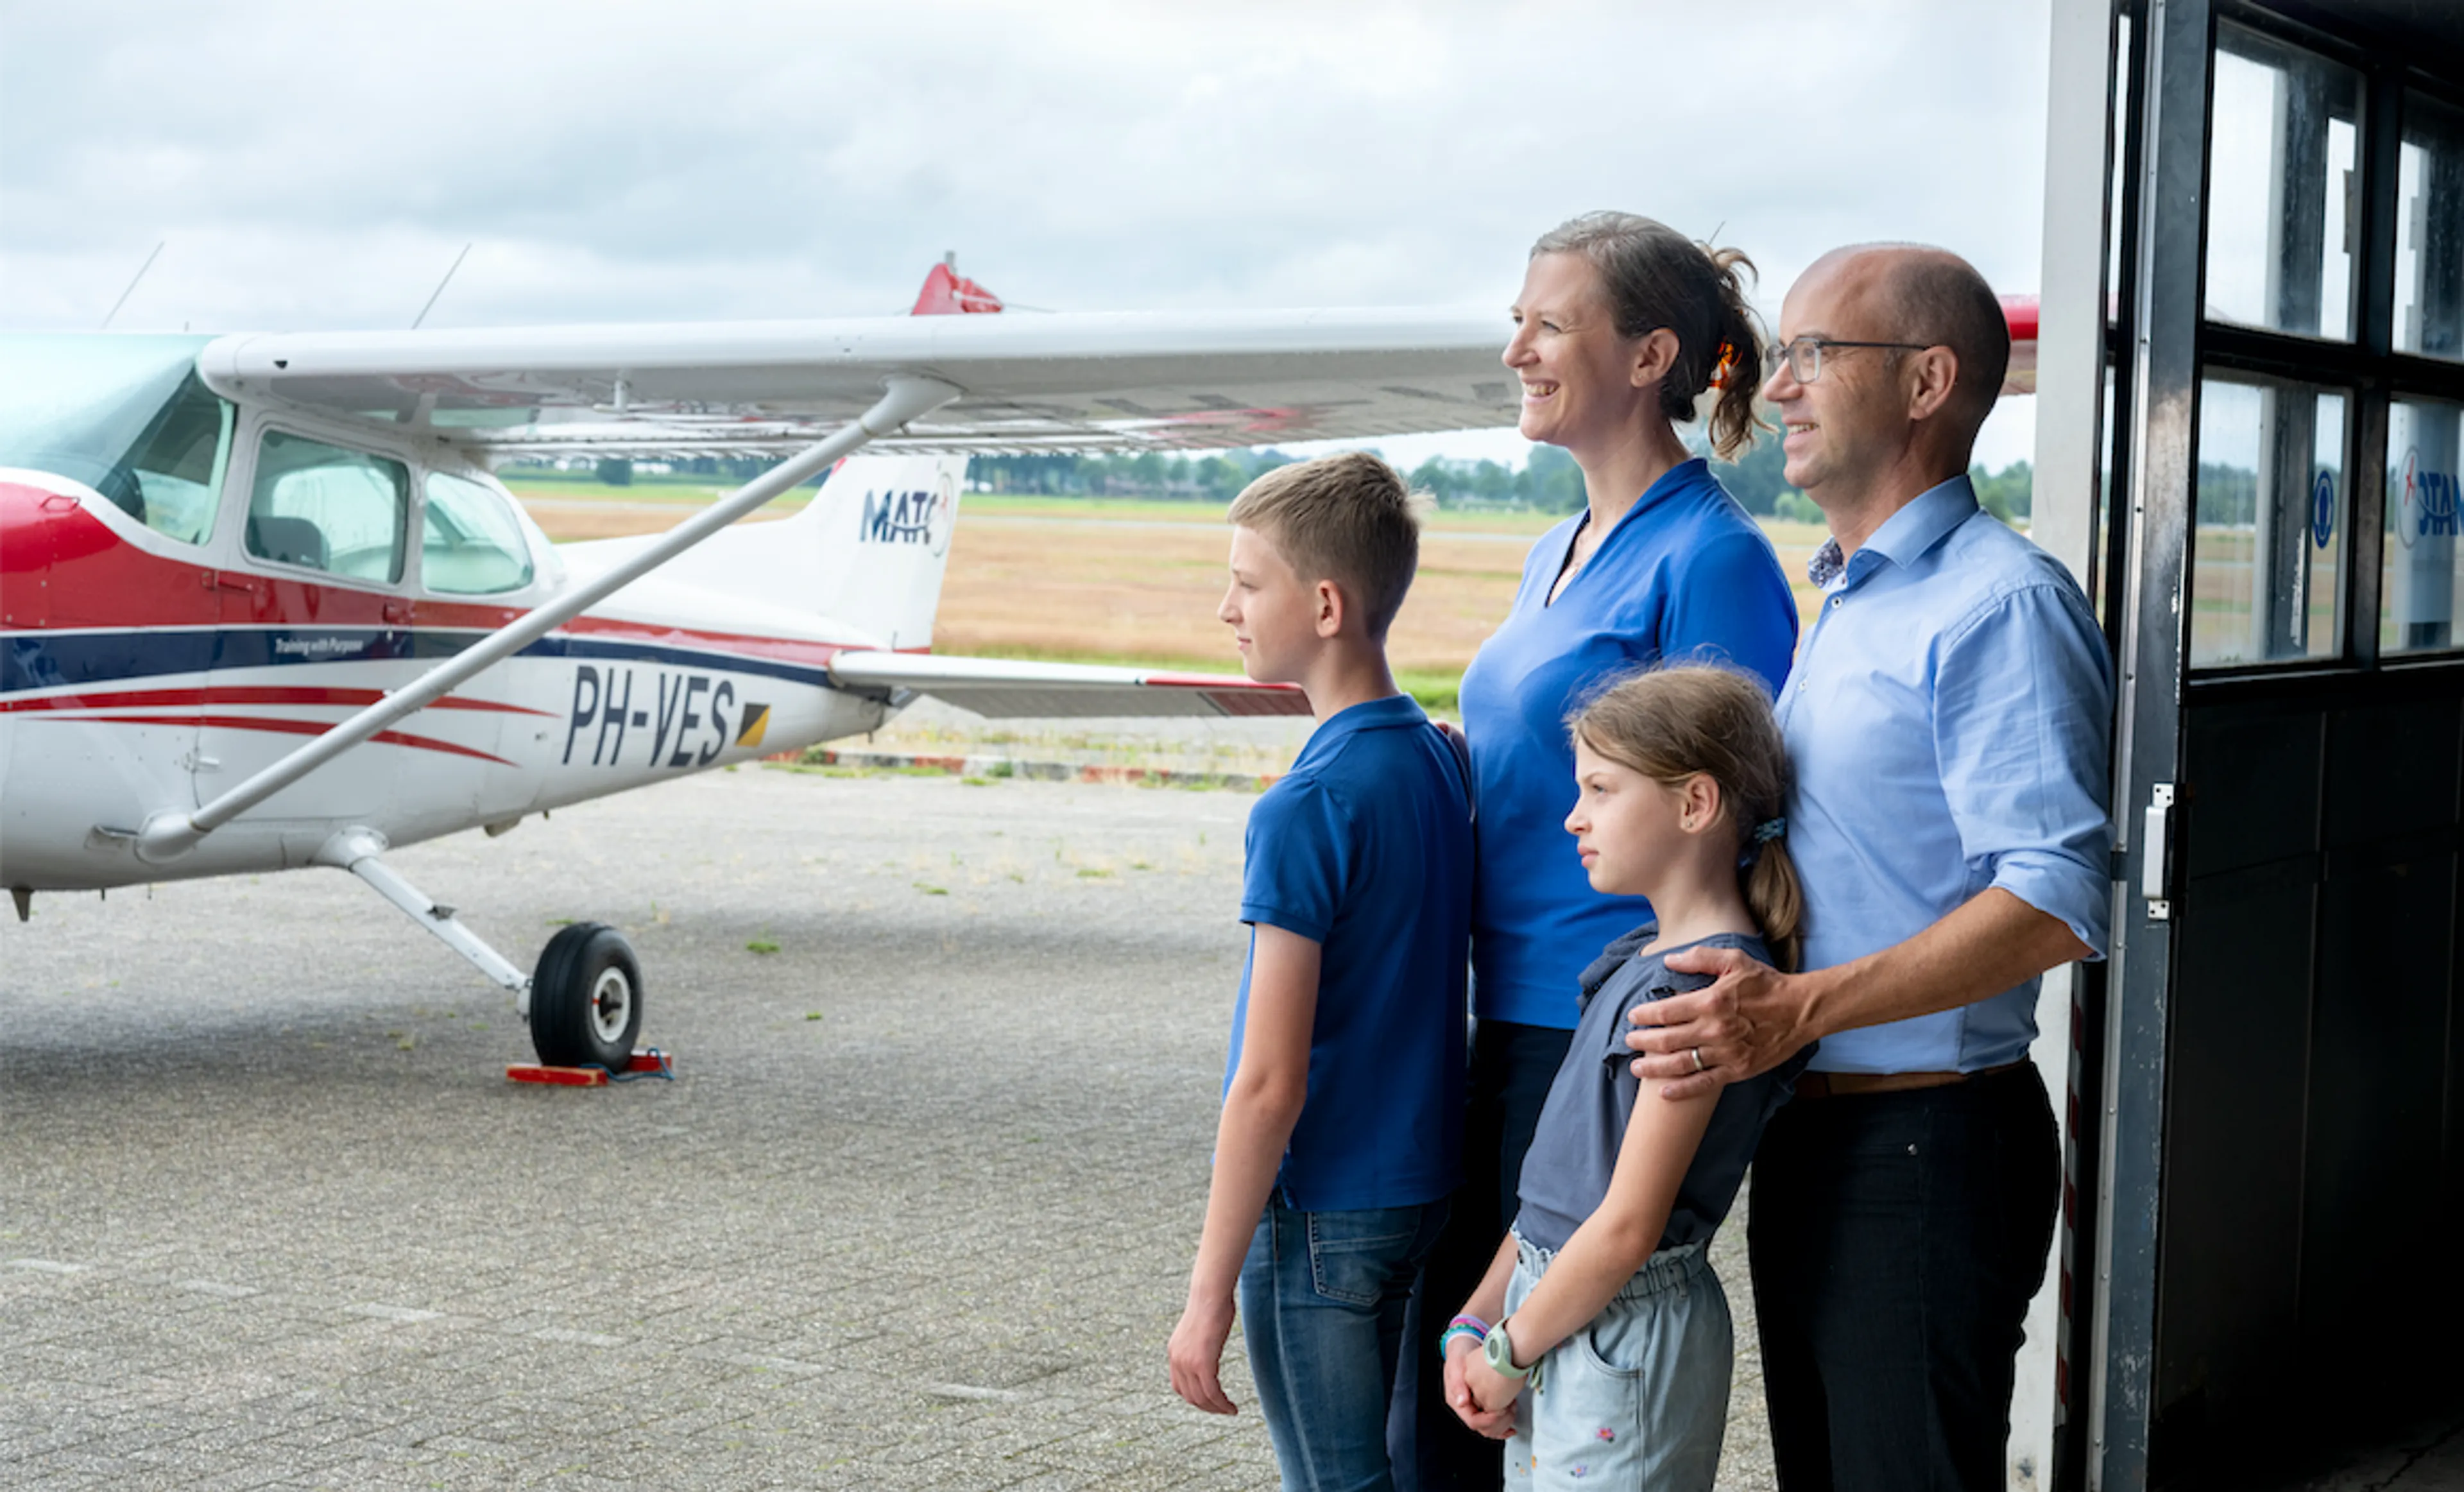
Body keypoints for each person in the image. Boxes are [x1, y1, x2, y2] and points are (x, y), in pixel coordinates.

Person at [1623, 244, 2114, 1490]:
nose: (1777, 386)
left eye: (1813, 353)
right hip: (1822, 1135)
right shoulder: (1855, 596)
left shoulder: (1999, 605)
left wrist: (1800, 1007)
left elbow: (2054, 897)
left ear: (1927, 381)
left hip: (1926, 1149)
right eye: (1780, 353)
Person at [1409, 211, 1799, 1490]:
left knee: (1497, 1415)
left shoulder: (1713, 558)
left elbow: (1739, 807)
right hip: (1506, 1010)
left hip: (1598, 1032)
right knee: (1456, 1409)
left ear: (1649, 356)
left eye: (1548, 323)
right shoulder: (1552, 550)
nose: (1515, 348)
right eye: (1515, 320)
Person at [1168, 452, 1475, 1492]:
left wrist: (1207, 1295)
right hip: (1418, 1198)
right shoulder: (1438, 760)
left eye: (1247, 584)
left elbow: (1269, 1083)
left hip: (1321, 1221)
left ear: (1328, 605)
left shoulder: (1304, 808)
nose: (1227, 609)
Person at [1439, 665, 1813, 1490]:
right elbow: (1554, 1201)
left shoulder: (1700, 998)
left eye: (1601, 790)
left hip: (1618, 1337)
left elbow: (1626, 1227)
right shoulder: (1637, 962)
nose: (1574, 816)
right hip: (1554, 1315)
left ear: (1695, 803)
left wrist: (1508, 1350)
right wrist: (1477, 1320)